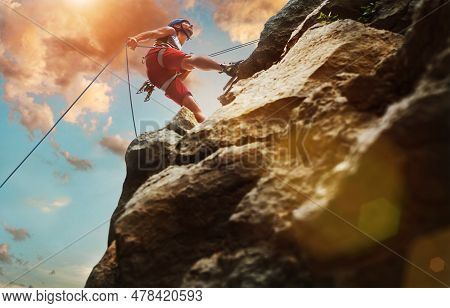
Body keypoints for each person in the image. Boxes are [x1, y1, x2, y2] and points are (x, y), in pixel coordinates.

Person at [127, 18, 238, 123]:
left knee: (193, 106)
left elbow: (179, 79)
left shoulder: (177, 47)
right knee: (190, 59)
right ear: (177, 25)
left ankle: (204, 122)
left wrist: (188, 69)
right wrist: (136, 38)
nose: (191, 25)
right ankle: (226, 67)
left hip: (158, 75)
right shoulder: (171, 30)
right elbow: (153, 33)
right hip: (159, 54)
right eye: (187, 23)